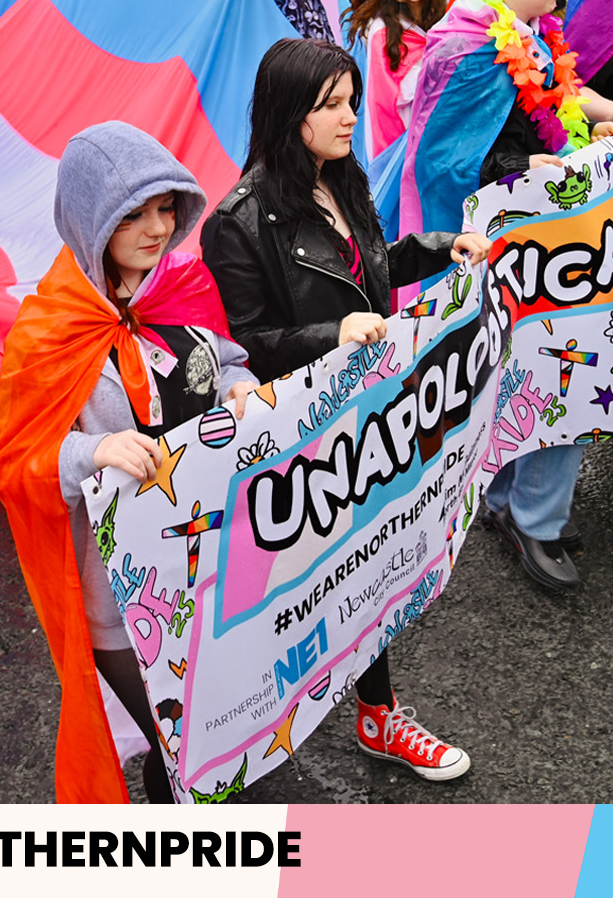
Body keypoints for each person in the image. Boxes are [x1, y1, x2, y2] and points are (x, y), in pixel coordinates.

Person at [202, 38, 490, 782]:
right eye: (330, 104)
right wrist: (334, 335)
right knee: (305, 587)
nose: (350, 117)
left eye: (352, 99)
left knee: (368, 569)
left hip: (371, 410)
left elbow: (374, 266)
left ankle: (376, 714)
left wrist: (439, 246)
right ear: (288, 110)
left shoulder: (346, 177)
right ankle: (248, 736)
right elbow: (253, 346)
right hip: (302, 438)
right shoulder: (238, 220)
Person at [0, 121, 258, 803]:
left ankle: (177, 795)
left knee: (211, 729)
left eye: (166, 207)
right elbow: (13, 463)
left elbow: (218, 356)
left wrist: (238, 384)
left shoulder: (179, 286)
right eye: (132, 213)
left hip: (209, 549)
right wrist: (90, 449)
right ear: (90, 219)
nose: (156, 227)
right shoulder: (50, 331)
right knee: (184, 735)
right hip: (119, 585)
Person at [401, 0, 613, 590]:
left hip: (540, 235)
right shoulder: (472, 48)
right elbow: (459, 164)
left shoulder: (518, 33)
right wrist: (563, 168)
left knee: (534, 368)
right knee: (566, 365)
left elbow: (557, 104)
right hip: (517, 241)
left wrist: (589, 134)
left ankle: (512, 502)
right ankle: (532, 517)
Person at [347, 0, 447, 156]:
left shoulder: (439, 13)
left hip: (438, 135)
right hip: (404, 143)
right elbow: (384, 103)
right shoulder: (381, 31)